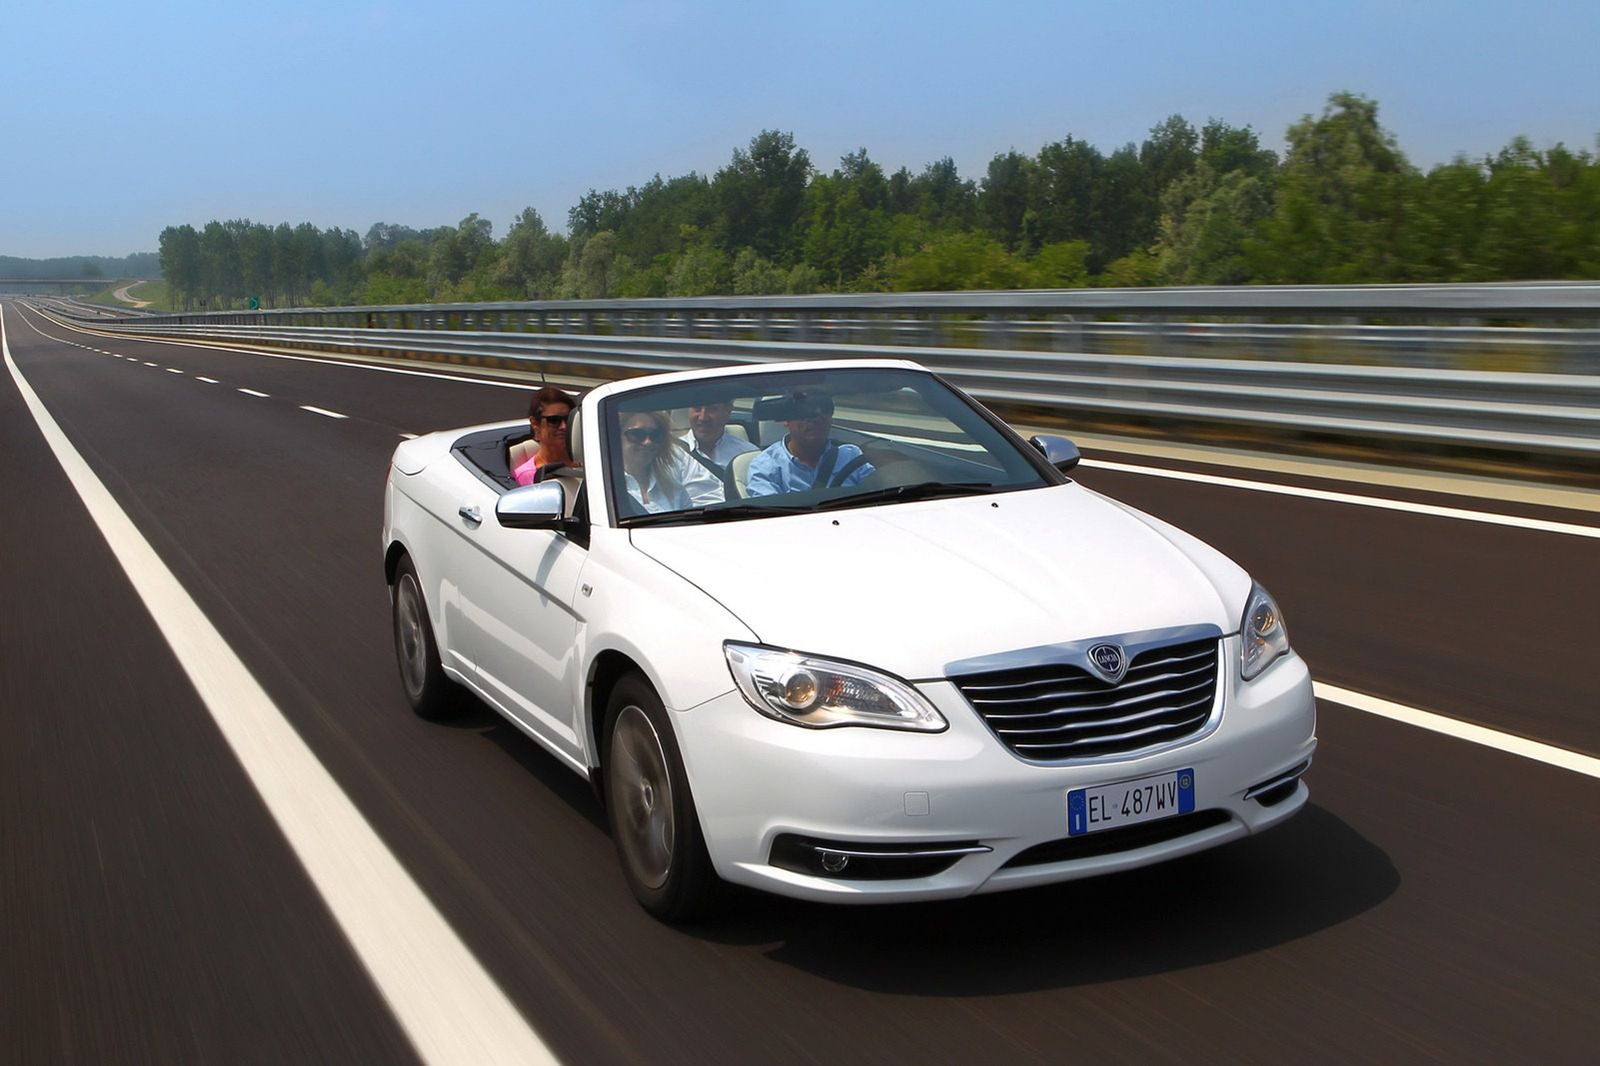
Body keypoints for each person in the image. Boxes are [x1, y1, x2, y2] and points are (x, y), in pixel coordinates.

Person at [745, 390, 874, 497]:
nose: (816, 418)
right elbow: (770, 517)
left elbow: (879, 494)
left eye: (824, 409)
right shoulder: (766, 466)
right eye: (803, 411)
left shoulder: (851, 456)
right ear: (786, 420)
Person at [617, 410, 695, 514]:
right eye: (637, 434)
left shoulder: (675, 489)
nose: (647, 442)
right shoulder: (606, 491)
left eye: (655, 435)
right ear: (617, 437)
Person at [514, 386, 576, 486]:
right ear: (534, 423)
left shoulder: (590, 462)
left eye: (568, 419)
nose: (563, 426)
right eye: (554, 420)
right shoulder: (527, 476)